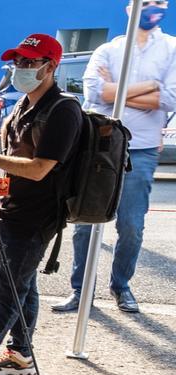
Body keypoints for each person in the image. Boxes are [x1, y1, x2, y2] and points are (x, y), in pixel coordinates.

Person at [0, 34, 82, 375]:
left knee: (9, 286)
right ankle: (21, 354)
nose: (20, 69)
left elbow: (41, 168)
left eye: (29, 62)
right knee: (22, 284)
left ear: (51, 67)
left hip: (38, 213)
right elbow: (14, 154)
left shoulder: (63, 109)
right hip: (13, 206)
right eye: (17, 62)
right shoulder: (23, 104)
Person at [54, 0, 176, 314]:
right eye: (146, 3)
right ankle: (80, 290)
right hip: (101, 146)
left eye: (159, 2)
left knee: (132, 226)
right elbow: (95, 92)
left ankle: (121, 286)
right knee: (84, 222)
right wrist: (151, 88)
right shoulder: (108, 50)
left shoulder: (172, 49)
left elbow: (172, 97)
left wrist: (118, 90)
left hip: (143, 149)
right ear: (130, 8)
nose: (153, 8)